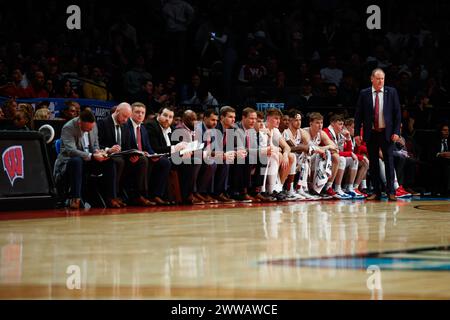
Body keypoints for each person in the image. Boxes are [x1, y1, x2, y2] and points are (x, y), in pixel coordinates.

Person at [53, 108, 119, 209]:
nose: (90, 130)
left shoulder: (93, 126)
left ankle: (111, 197)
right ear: (80, 123)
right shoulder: (68, 127)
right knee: (77, 161)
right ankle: (75, 199)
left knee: (110, 162)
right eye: (87, 129)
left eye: (91, 128)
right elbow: (71, 151)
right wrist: (92, 156)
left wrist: (98, 152)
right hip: (69, 162)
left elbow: (95, 145)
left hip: (89, 160)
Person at [354, 68, 401, 201]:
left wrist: (396, 132)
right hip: (372, 132)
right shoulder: (364, 93)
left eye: (382, 79)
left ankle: (391, 192)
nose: (380, 81)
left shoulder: (391, 92)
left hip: (387, 133)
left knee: (389, 163)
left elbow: (397, 113)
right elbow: (358, 115)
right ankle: (376, 192)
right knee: (373, 163)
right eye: (378, 78)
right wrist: (357, 133)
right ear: (372, 79)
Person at [97, 102, 154, 206]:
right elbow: (96, 144)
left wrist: (135, 154)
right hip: (107, 157)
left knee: (142, 160)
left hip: (122, 157)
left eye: (128, 118)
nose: (126, 120)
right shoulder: (102, 123)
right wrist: (109, 149)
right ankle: (112, 196)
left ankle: (138, 195)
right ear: (117, 111)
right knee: (118, 161)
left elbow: (127, 146)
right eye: (124, 116)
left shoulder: (125, 125)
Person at [126, 102, 172, 205]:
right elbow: (125, 145)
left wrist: (153, 154)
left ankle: (156, 195)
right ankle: (140, 195)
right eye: (137, 112)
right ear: (131, 113)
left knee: (164, 162)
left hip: (143, 157)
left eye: (142, 113)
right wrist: (135, 154)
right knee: (144, 160)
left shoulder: (142, 128)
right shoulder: (126, 126)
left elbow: (148, 147)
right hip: (131, 157)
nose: (140, 115)